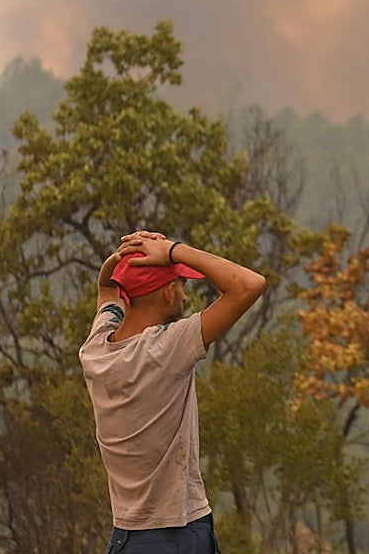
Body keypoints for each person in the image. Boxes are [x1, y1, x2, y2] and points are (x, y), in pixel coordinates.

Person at [79, 230, 267, 554]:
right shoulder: (164, 349)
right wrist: (173, 251)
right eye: (181, 285)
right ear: (168, 292)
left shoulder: (96, 349)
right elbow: (249, 285)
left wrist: (127, 254)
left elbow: (107, 287)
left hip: (126, 538)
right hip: (177, 535)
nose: (184, 296)